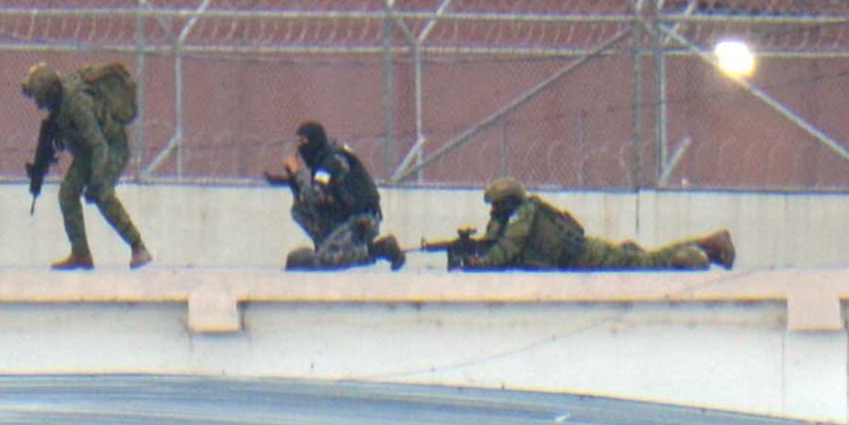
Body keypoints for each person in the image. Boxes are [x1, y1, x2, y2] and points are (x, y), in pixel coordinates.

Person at [436, 178, 735, 273]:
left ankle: (707, 244)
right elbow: (495, 243)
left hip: (583, 255)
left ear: (510, 202)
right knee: (638, 258)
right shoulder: (507, 219)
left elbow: (508, 247)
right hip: (574, 259)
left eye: (498, 204)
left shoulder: (523, 215)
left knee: (645, 263)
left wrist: (483, 262)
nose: (494, 210)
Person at [18, 61, 152, 268]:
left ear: (48, 93)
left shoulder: (75, 104)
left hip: (111, 146)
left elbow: (99, 145)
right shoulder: (58, 107)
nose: (37, 103)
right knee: (67, 194)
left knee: (102, 194)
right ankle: (81, 254)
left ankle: (138, 246)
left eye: (38, 97)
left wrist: (96, 180)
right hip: (87, 153)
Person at [272, 119, 400, 269]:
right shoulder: (320, 161)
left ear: (315, 141)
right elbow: (311, 199)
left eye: (303, 142)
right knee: (300, 210)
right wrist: (293, 181)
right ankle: (328, 246)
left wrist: (297, 173)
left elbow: (315, 194)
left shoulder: (334, 160)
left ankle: (382, 249)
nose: (300, 148)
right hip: (343, 217)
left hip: (363, 218)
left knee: (327, 261)